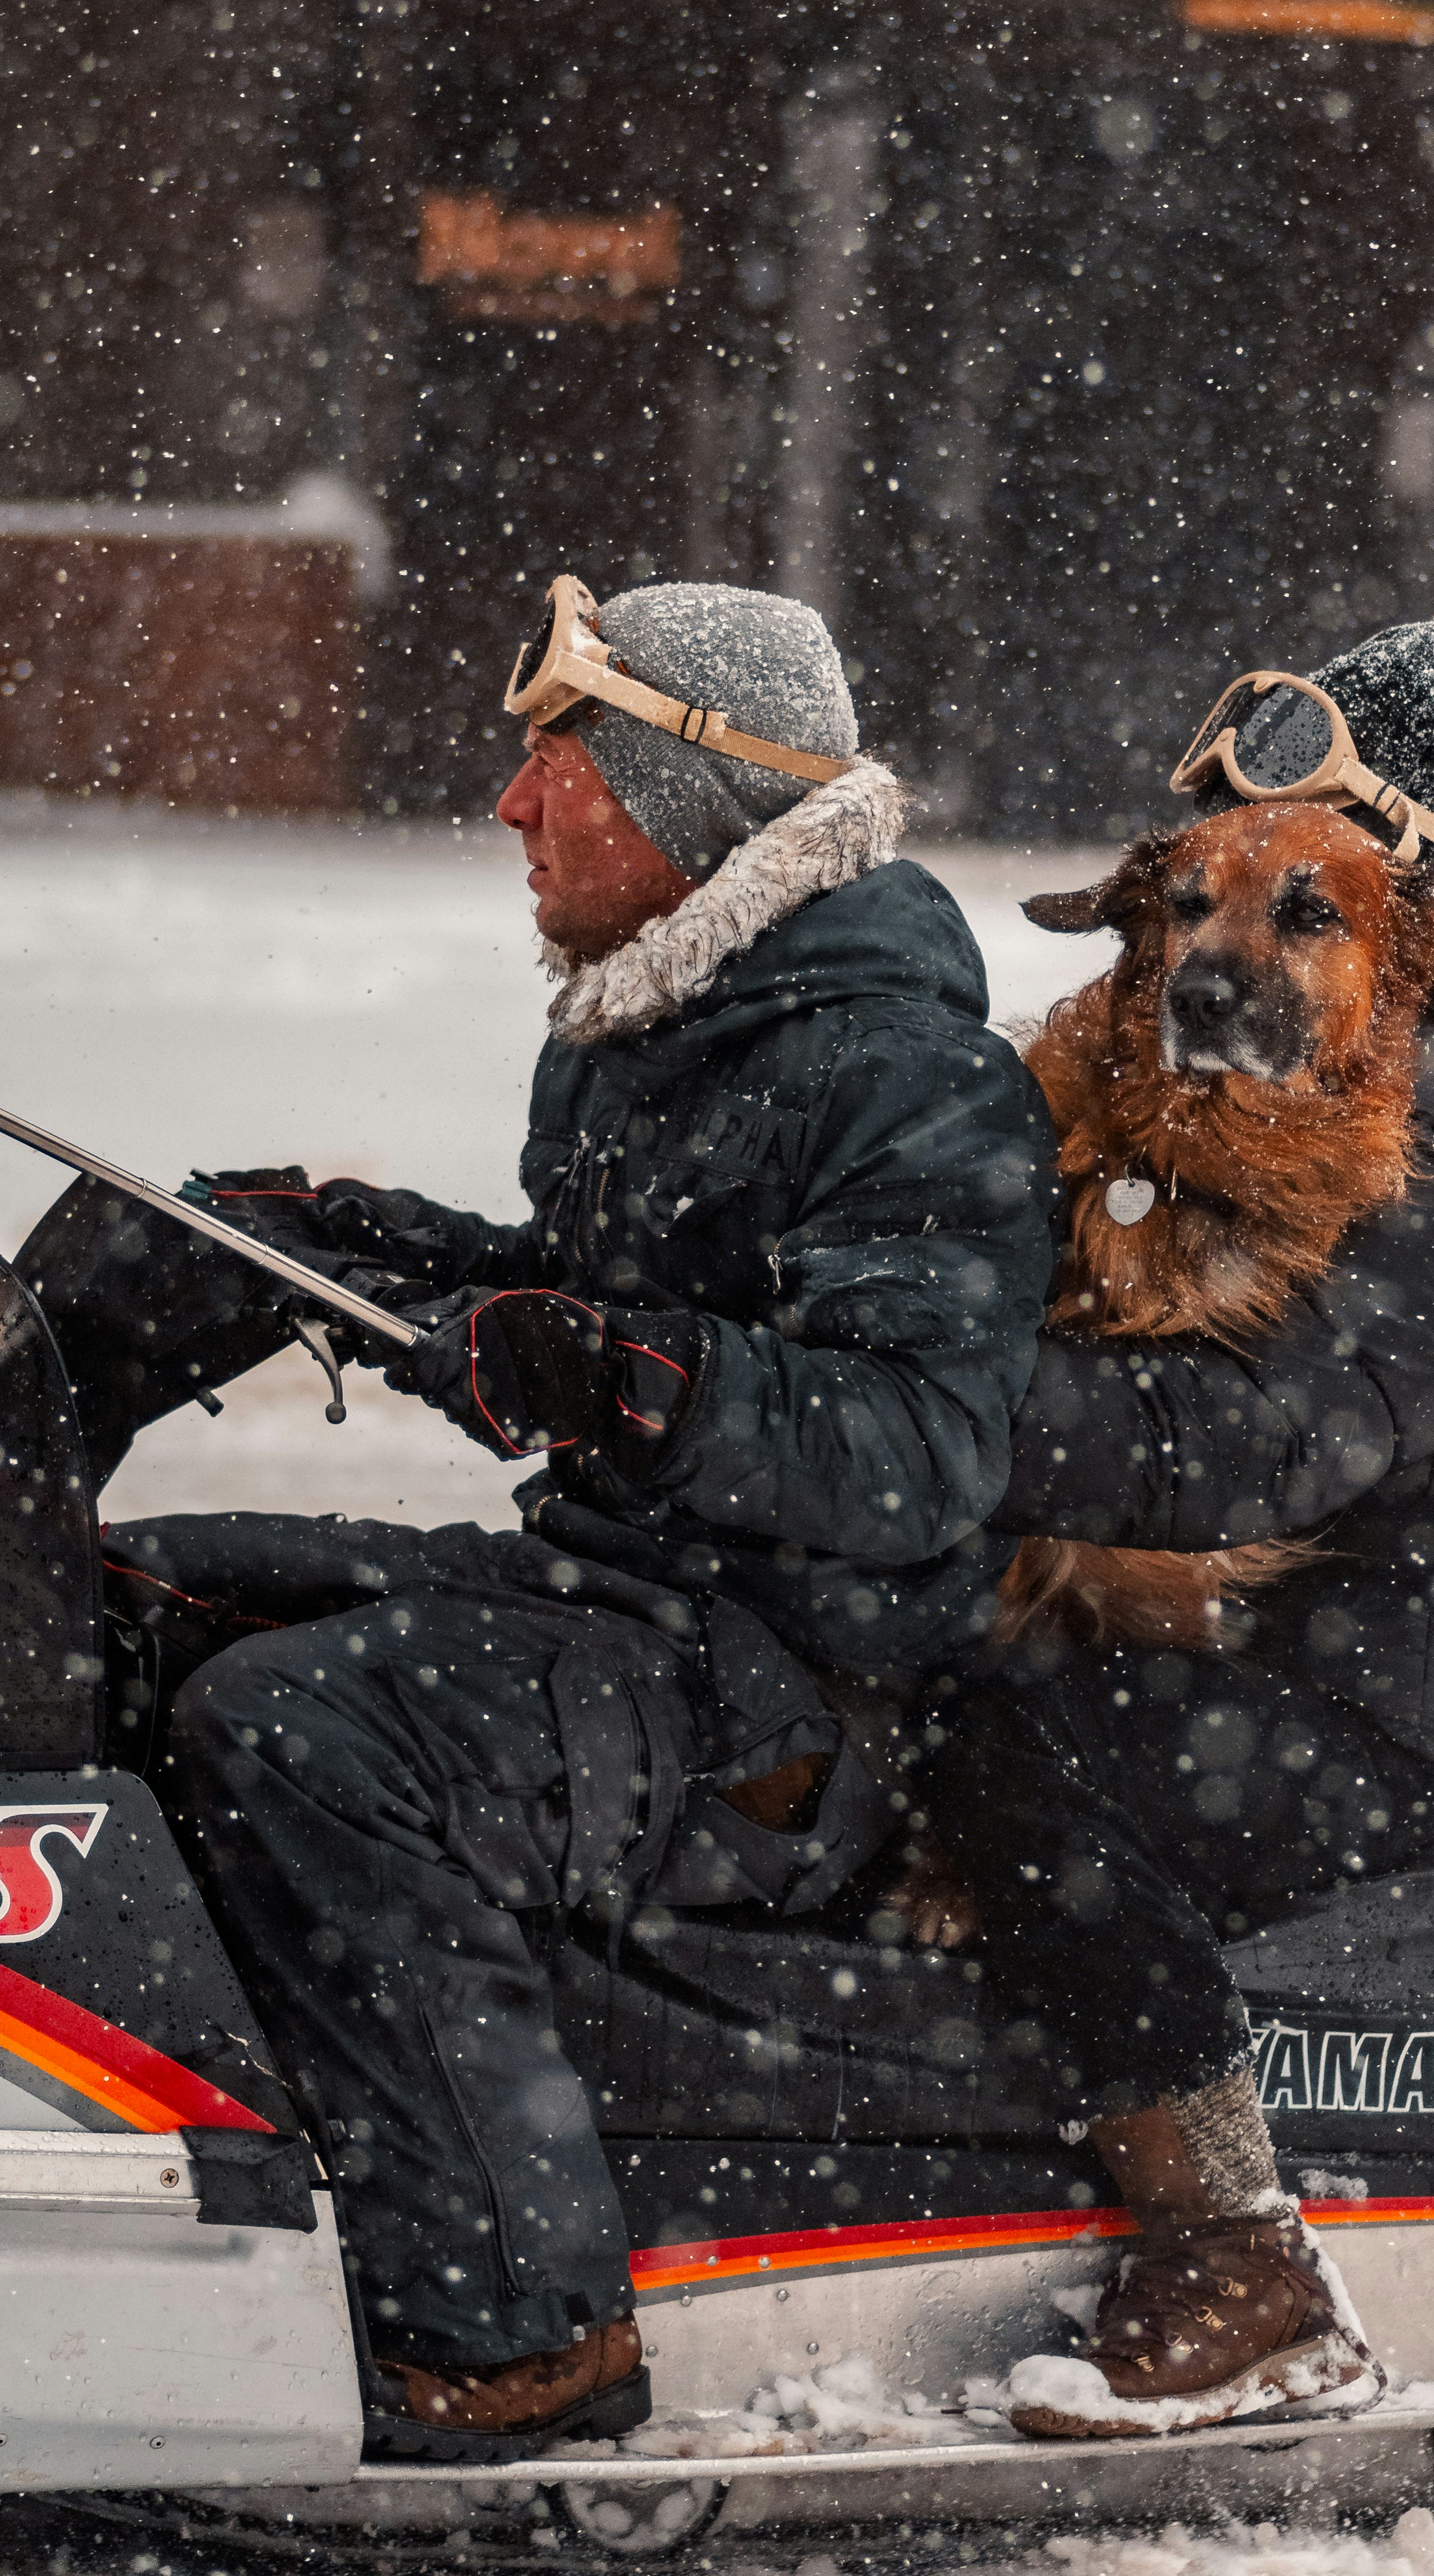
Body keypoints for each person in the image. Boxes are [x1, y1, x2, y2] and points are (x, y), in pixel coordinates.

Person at [79, 576, 1058, 2461]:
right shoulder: (654, 1026)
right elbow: (625, 1294)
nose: (517, 806)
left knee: (303, 1734)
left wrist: (614, 1378)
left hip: (792, 1693)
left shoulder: (899, 1070)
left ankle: (518, 2333)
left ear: (694, 799)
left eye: (563, 762)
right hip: (625, 1605)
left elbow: (919, 1444)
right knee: (150, 1597)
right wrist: (370, 1248)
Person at [912, 592, 1434, 2438]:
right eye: (1196, 901)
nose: (1214, 955)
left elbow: (1245, 1449)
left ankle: (1235, 2253)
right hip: (1272, 1640)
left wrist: (920, 1430)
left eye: (1294, 908)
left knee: (1008, 1752)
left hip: (1382, 1697)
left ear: (1402, 903)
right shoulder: (1231, 1079)